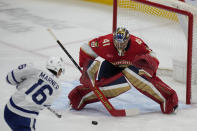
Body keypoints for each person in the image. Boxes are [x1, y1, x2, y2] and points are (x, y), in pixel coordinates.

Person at [68, 27, 178, 114]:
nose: (120, 45)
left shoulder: (137, 43)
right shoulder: (105, 42)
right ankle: (78, 97)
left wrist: (148, 68)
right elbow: (86, 48)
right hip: (110, 66)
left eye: (123, 43)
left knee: (137, 75)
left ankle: (168, 99)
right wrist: (86, 69)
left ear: (128, 40)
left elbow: (152, 55)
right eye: (117, 43)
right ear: (113, 39)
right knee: (105, 87)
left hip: (131, 66)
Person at [4, 56, 65, 131]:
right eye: (61, 71)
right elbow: (43, 105)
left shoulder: (35, 68)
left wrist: (23, 85)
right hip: (24, 117)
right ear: (59, 70)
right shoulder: (58, 88)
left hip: (9, 108)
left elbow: (9, 79)